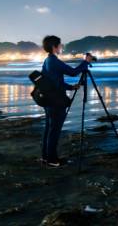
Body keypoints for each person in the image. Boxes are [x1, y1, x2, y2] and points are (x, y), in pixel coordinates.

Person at [40, 35, 94, 167]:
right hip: (56, 101)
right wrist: (86, 62)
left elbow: (54, 82)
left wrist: (71, 87)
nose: (61, 47)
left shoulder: (47, 61)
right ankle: (52, 160)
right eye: (60, 45)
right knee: (54, 130)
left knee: (49, 129)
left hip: (48, 99)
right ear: (54, 47)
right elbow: (73, 72)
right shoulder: (54, 61)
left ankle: (46, 157)